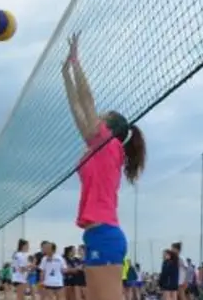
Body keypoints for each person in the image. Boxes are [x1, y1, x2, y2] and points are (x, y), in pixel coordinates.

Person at [61, 31, 146, 300]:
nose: (96, 115)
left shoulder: (109, 145)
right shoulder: (96, 145)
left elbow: (87, 100)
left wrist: (76, 63)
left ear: (109, 127)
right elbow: (78, 107)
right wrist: (65, 74)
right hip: (97, 235)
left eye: (102, 115)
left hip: (106, 234)